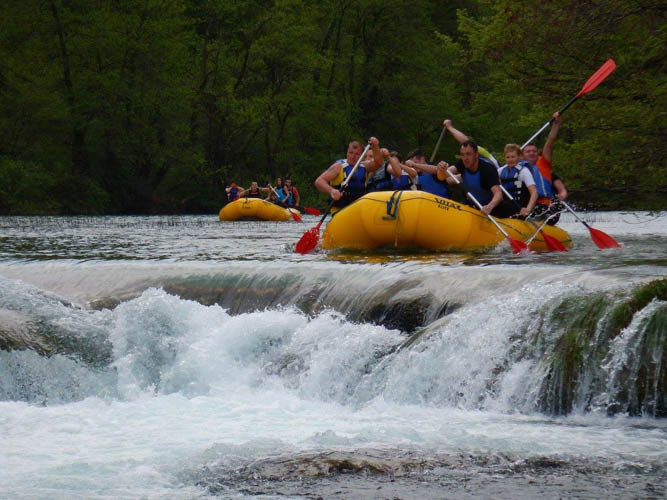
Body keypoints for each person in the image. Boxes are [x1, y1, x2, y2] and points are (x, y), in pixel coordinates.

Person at [438, 141, 515, 218]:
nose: (465, 158)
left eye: (468, 154)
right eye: (462, 155)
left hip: (491, 209)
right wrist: (441, 170)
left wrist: (489, 207)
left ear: (476, 154)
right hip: (472, 206)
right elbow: (441, 177)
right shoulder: (462, 163)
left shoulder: (487, 169)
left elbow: (498, 193)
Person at [522, 112, 567, 224]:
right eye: (528, 151)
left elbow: (549, 143)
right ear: (522, 155)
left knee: (541, 210)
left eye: (534, 151)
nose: (531, 153)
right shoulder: (517, 167)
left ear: (538, 154)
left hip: (545, 206)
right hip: (527, 205)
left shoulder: (543, 163)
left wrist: (556, 124)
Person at [314, 137, 382, 209]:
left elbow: (378, 163)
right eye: (350, 153)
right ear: (347, 152)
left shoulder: (365, 166)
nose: (353, 156)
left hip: (359, 208)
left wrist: (375, 147)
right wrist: (332, 191)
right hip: (340, 209)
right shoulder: (338, 166)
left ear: (362, 156)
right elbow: (319, 181)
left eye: (357, 154)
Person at [497, 144, 538, 217]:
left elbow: (534, 192)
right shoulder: (500, 171)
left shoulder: (524, 171)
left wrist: (528, 209)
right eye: (508, 157)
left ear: (519, 157)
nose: (510, 160)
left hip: (520, 205)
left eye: (513, 157)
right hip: (506, 204)